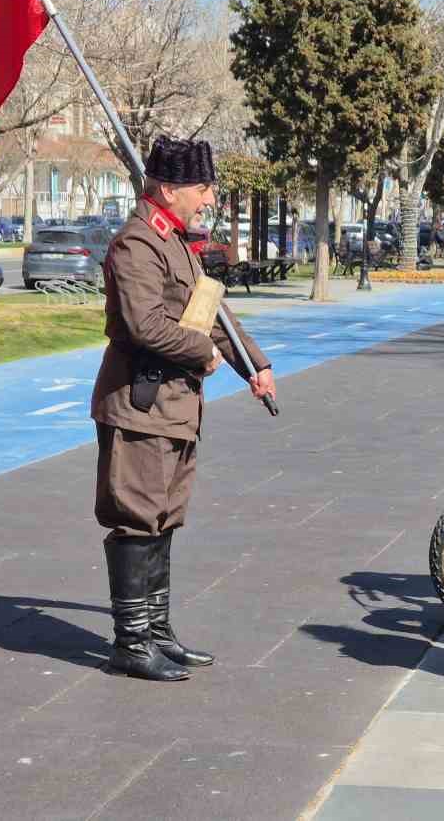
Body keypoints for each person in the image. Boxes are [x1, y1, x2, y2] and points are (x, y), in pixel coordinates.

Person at [91, 136, 277, 682]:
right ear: (168, 189)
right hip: (139, 405)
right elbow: (143, 324)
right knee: (136, 518)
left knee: (164, 517)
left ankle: (156, 631)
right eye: (201, 188)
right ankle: (130, 642)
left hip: (174, 406)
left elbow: (208, 308)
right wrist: (204, 355)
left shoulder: (175, 242)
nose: (209, 197)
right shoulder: (137, 245)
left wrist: (254, 366)